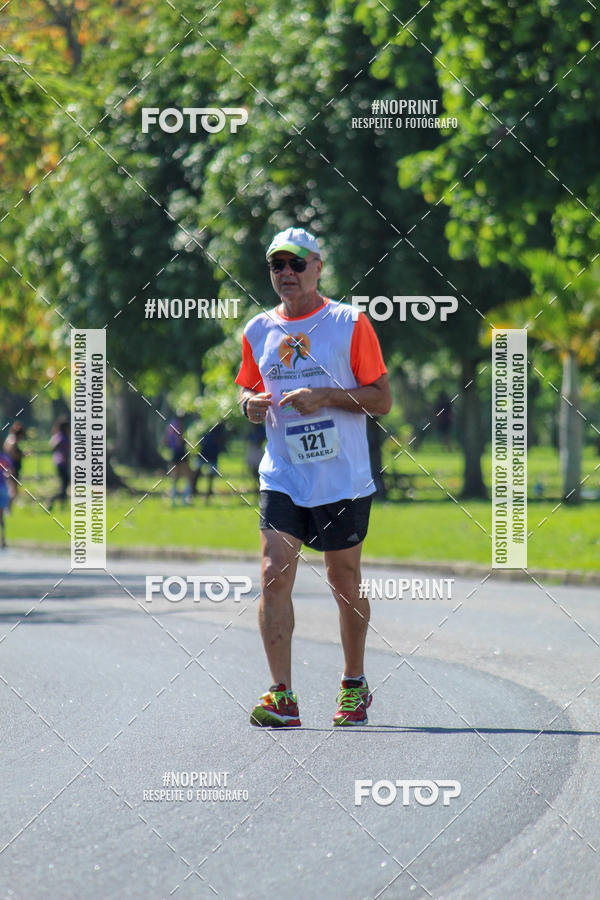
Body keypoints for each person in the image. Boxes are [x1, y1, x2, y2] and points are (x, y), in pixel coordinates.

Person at [236, 226, 391, 728]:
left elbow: (382, 399)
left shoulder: (349, 323)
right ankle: (281, 694)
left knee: (343, 578)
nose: (286, 273)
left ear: (318, 268)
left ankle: (353, 682)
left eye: (296, 264)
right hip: (283, 474)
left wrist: (326, 395)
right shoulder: (258, 330)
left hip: (340, 478)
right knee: (272, 571)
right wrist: (250, 406)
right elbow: (247, 390)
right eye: (277, 265)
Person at [163, 416, 191, 505]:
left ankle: (173, 500)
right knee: (187, 476)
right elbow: (180, 440)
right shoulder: (179, 425)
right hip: (181, 453)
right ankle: (185, 499)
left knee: (175, 477)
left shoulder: (170, 425)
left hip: (174, 453)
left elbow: (165, 441)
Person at [3, 421, 25, 509]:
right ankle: (7, 508)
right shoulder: (13, 441)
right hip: (12, 468)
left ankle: (7, 509)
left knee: (11, 489)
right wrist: (24, 454)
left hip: (9, 467)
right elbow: (13, 455)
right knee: (13, 490)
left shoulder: (9, 438)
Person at [48, 417, 70, 510]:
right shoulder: (62, 436)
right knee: (64, 485)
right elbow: (53, 446)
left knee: (64, 485)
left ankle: (62, 507)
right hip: (62, 464)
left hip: (61, 463)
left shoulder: (61, 435)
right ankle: (52, 500)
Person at [0, 451, 14, 547]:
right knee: (1, 516)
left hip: (3, 489)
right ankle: (3, 539)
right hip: (4, 489)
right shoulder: (5, 457)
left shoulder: (5, 457)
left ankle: (3, 539)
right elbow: (10, 472)